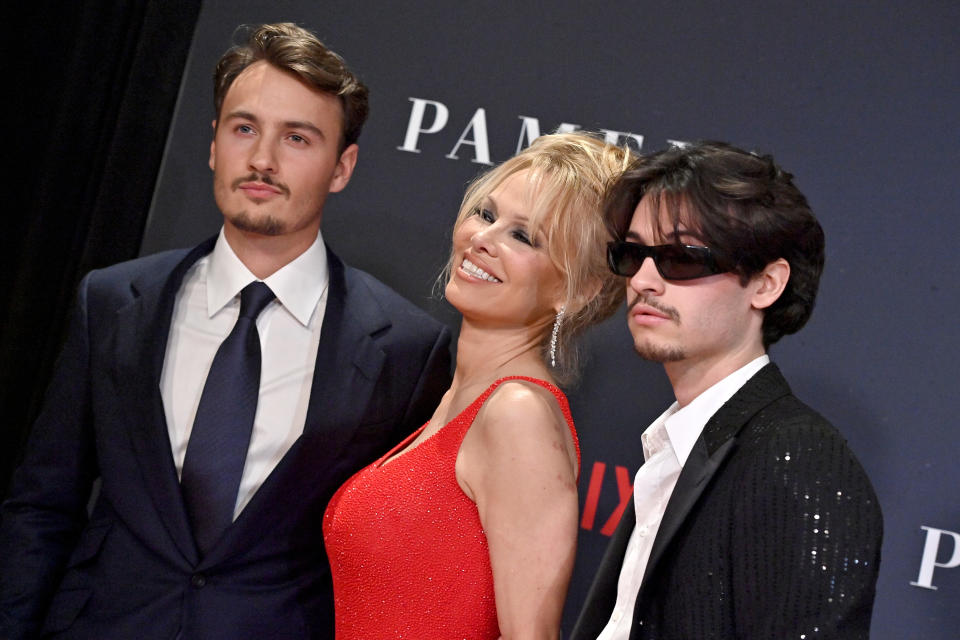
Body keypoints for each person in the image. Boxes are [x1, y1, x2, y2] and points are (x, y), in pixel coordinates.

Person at [0, 23, 450, 639]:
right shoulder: (110, 301)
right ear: (213, 143)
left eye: (297, 138)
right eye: (244, 129)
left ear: (342, 166)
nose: (262, 160)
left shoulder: (405, 347)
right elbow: (42, 505)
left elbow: (391, 563)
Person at [322, 132, 633, 639]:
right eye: (486, 215)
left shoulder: (518, 414)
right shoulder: (456, 399)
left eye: (524, 237)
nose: (483, 239)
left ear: (578, 291)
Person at [571, 141, 883, 639]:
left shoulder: (797, 458)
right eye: (633, 254)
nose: (644, 281)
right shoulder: (676, 446)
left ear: (766, 284)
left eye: (680, 257)